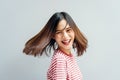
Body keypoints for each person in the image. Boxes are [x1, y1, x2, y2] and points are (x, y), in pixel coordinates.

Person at [23, 12, 88, 80]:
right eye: (59, 32)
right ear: (53, 36)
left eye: (68, 30)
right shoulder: (60, 59)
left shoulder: (68, 56)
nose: (65, 36)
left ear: (74, 30)